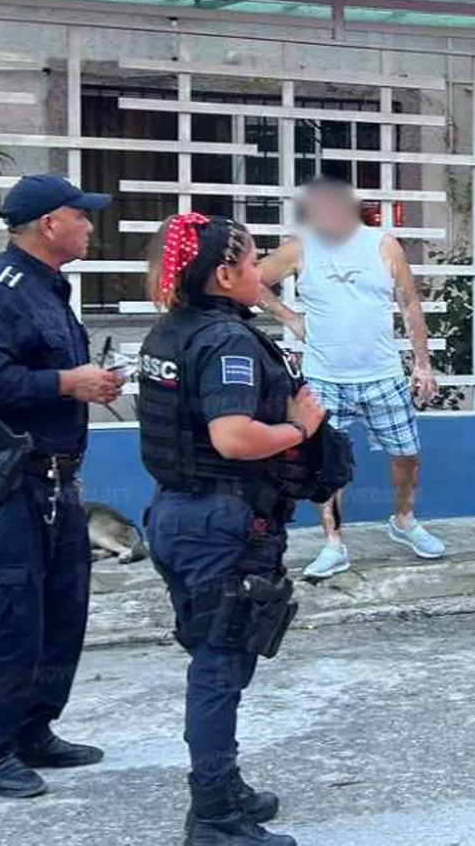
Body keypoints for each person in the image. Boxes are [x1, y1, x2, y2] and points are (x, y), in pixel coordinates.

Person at [137, 211, 351, 846]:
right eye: (254, 262)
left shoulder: (171, 331)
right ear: (225, 275)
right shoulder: (226, 342)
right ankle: (213, 814)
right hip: (219, 521)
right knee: (220, 664)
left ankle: (224, 785)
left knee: (220, 656)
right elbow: (233, 437)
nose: (263, 272)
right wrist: (300, 428)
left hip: (180, 514)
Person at [0, 173, 122, 798]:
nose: (89, 226)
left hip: (57, 481)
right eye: (81, 215)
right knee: (7, 617)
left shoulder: (50, 289)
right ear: (50, 224)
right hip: (9, 482)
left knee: (60, 613)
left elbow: (49, 372)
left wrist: (88, 382)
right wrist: (66, 384)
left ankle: (33, 730)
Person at [255, 176, 443, 580]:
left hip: (382, 373)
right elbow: (251, 281)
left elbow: (410, 303)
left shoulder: (383, 244)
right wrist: (289, 317)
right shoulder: (300, 247)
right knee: (327, 464)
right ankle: (333, 542)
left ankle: (404, 519)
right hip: (324, 376)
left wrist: (422, 363)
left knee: (408, 453)